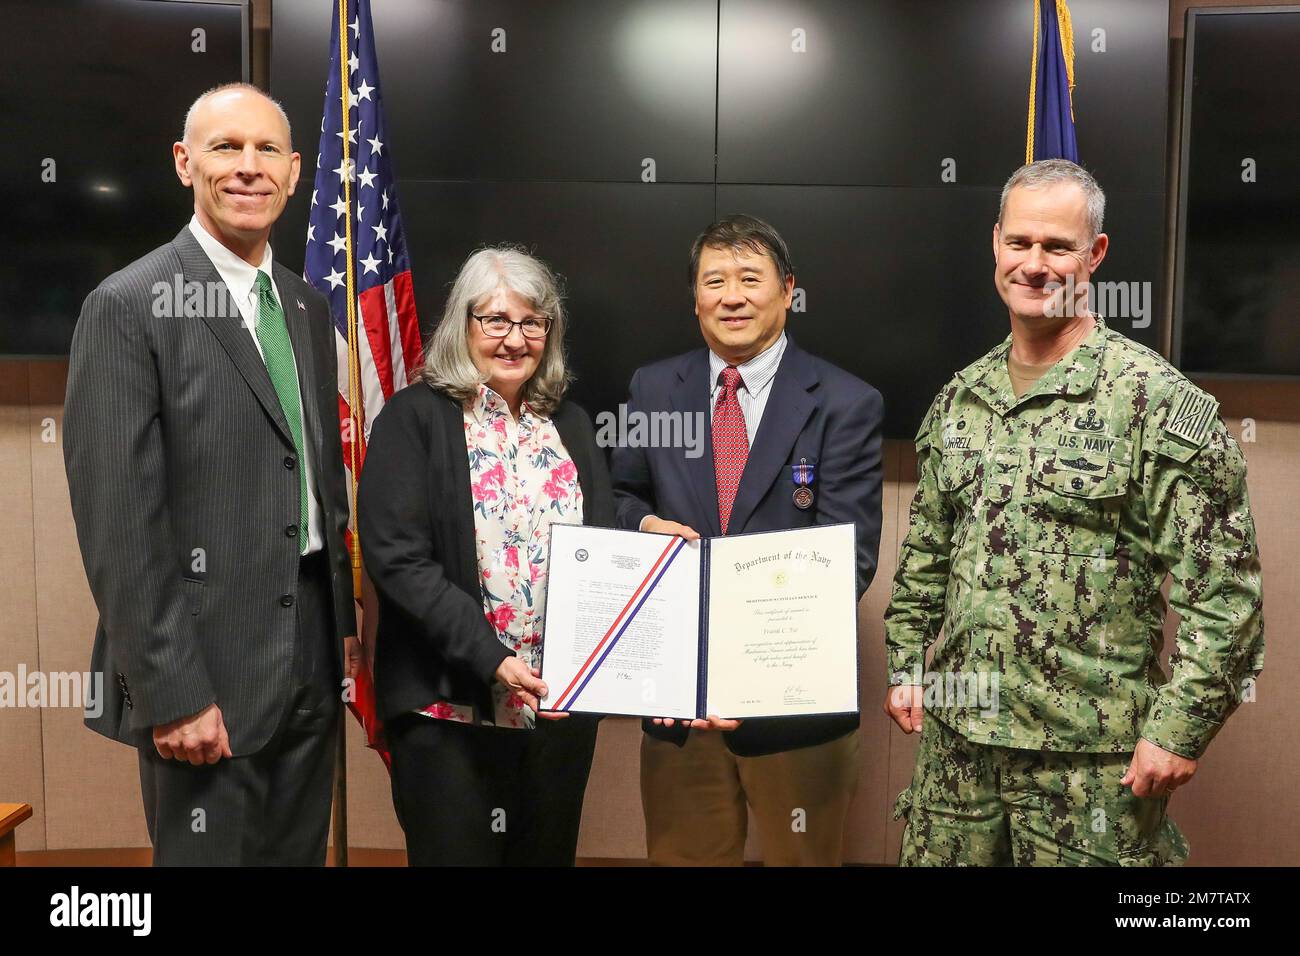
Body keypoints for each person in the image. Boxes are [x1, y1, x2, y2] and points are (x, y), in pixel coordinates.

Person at [884, 159, 1265, 866]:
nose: (1034, 265)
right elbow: (926, 559)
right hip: (956, 761)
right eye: (1019, 243)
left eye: (1057, 248)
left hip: (1088, 770)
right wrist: (906, 663)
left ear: (1096, 255)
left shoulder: (1154, 404)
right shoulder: (959, 401)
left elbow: (1226, 596)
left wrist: (1178, 730)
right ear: (995, 243)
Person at [64, 83, 359, 865]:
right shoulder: (127, 305)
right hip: (203, 673)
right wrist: (173, 692)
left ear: (296, 173)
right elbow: (119, 526)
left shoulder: (303, 305)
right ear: (183, 162)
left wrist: (346, 641)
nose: (248, 168)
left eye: (267, 150)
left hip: (310, 660)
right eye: (226, 147)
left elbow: (316, 488)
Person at [610, 214, 884, 866]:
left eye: (750, 279)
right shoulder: (654, 389)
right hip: (681, 705)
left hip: (795, 707)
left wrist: (746, 665)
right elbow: (619, 500)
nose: (732, 296)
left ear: (787, 290)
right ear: (696, 297)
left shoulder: (845, 402)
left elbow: (850, 560)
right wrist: (645, 526)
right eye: (714, 281)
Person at [358, 246, 612, 866]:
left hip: (556, 711)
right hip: (447, 708)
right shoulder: (414, 418)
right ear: (462, 325)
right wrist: (491, 657)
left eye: (532, 323)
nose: (515, 339)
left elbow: (602, 533)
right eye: (495, 320)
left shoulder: (571, 423)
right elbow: (398, 559)